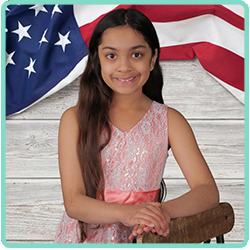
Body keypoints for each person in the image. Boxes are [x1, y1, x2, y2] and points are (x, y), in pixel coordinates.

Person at [55, 8, 219, 244]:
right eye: (111, 55)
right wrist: (127, 213)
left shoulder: (170, 120)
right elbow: (74, 202)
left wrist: (164, 211)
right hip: (82, 239)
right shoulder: (74, 119)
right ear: (97, 60)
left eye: (136, 55)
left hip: (145, 237)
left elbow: (207, 191)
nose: (124, 66)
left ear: (152, 59)